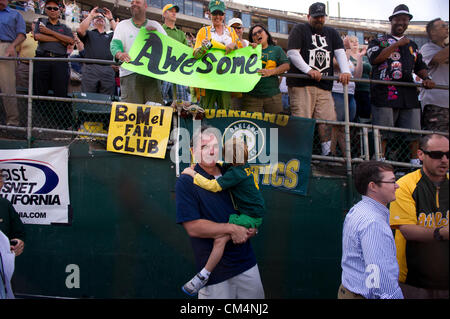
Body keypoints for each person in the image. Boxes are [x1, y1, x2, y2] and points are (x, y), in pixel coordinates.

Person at [175, 125, 264, 299]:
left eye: (215, 146)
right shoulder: (186, 181)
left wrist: (250, 228)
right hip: (215, 273)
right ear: (193, 151)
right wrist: (231, 229)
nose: (210, 151)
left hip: (246, 262)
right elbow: (193, 227)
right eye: (204, 147)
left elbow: (249, 204)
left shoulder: (230, 171)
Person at [366, 4, 435, 165]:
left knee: (413, 131)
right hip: (384, 92)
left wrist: (427, 78)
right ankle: (380, 161)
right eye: (398, 19)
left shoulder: (413, 45)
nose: (401, 23)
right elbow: (375, 59)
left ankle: (413, 162)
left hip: (408, 93)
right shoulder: (379, 40)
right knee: (383, 131)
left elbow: (420, 66)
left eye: (405, 20)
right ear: (391, 20)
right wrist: (396, 44)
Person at [287, 2, 351, 157]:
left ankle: (328, 153)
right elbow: (292, 53)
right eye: (315, 17)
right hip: (301, 84)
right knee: (302, 120)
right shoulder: (300, 29)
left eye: (321, 17)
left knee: (328, 121)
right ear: (309, 16)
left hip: (324, 85)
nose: (319, 20)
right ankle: (300, 155)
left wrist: (345, 71)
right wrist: (308, 70)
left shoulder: (332, 32)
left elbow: (340, 52)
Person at [389, 134, 449, 299]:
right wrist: (442, 232)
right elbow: (407, 230)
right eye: (437, 155)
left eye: (448, 155)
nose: (444, 160)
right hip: (414, 282)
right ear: (420, 155)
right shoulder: (405, 185)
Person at [339, 161, 403, 299]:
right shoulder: (373, 222)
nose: (397, 186)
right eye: (392, 182)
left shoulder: (358, 209)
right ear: (373, 186)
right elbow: (380, 278)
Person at [110, 0, 166, 105]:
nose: (134, 4)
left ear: (145, 6)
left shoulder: (156, 26)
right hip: (129, 75)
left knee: (153, 112)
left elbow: (167, 46)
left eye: (137, 2)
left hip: (152, 76)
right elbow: (115, 45)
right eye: (132, 2)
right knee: (132, 111)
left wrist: (157, 36)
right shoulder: (122, 25)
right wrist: (119, 54)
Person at [193, 0, 242, 110]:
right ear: (209, 14)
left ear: (224, 15)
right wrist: (203, 48)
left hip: (226, 79)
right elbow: (196, 54)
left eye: (220, 13)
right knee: (205, 112)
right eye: (215, 13)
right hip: (208, 80)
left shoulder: (231, 32)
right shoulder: (203, 31)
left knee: (225, 113)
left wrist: (234, 45)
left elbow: (241, 52)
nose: (217, 16)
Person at [239, 24, 290, 114]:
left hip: (273, 96)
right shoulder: (247, 49)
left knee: (274, 126)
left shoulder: (276, 49)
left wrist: (271, 71)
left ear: (266, 34)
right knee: (252, 126)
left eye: (260, 31)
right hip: (251, 97)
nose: (257, 35)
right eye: (254, 34)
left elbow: (286, 65)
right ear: (252, 39)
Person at [330, 35, 363, 156]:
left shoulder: (349, 60)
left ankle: (346, 156)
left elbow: (357, 76)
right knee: (335, 125)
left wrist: (359, 58)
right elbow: (341, 66)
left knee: (344, 127)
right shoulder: (334, 57)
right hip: (337, 93)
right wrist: (347, 49)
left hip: (350, 94)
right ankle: (330, 154)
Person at [77, 6, 117, 95]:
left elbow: (119, 33)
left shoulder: (110, 35)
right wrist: (91, 15)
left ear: (105, 22)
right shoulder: (89, 34)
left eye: (102, 17)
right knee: (88, 95)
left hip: (107, 68)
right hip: (90, 68)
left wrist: (110, 18)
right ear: (93, 22)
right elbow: (80, 30)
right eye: (96, 17)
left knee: (106, 97)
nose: (99, 18)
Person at [419, 18, 449, 133]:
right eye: (442, 26)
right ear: (432, 32)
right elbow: (437, 59)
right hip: (435, 104)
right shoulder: (427, 48)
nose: (446, 28)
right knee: (437, 140)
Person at [0, 0, 26, 127]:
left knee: (8, 86)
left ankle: (12, 121)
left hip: (6, 47)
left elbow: (22, 35)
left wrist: (12, 46)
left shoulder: (15, 14)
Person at [160, 3, 190, 105]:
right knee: (159, 100)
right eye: (170, 11)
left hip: (178, 72)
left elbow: (186, 53)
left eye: (175, 11)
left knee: (182, 104)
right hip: (162, 71)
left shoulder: (181, 34)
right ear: (164, 14)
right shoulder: (160, 30)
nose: (174, 13)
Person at [0, 173, 26, 257]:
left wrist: (18, 242)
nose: (1, 182)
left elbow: (18, 232)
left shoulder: (4, 204)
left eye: (1, 177)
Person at [347, 36, 372, 122]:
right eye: (352, 41)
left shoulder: (366, 58)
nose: (355, 43)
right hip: (353, 90)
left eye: (357, 41)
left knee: (366, 115)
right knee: (354, 115)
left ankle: (364, 134)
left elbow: (371, 72)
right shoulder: (347, 57)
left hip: (366, 90)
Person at [16, 18, 38, 92]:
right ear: (32, 24)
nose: (36, 24)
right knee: (22, 89)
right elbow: (16, 51)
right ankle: (22, 104)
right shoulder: (24, 37)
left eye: (39, 23)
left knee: (38, 89)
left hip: (39, 67)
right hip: (24, 66)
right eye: (34, 22)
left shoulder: (46, 38)